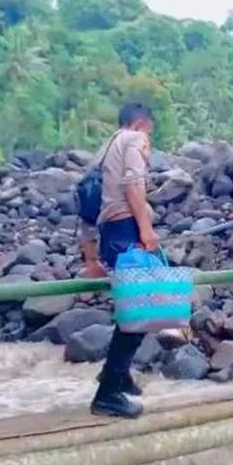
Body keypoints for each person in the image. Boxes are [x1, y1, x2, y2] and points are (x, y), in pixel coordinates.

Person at [80, 102, 159, 419]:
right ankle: (108, 392)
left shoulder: (103, 150)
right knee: (142, 307)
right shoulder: (134, 140)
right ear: (141, 124)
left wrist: (90, 256)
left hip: (109, 232)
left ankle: (118, 373)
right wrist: (146, 229)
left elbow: (86, 202)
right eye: (150, 132)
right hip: (126, 228)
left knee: (135, 305)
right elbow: (133, 184)